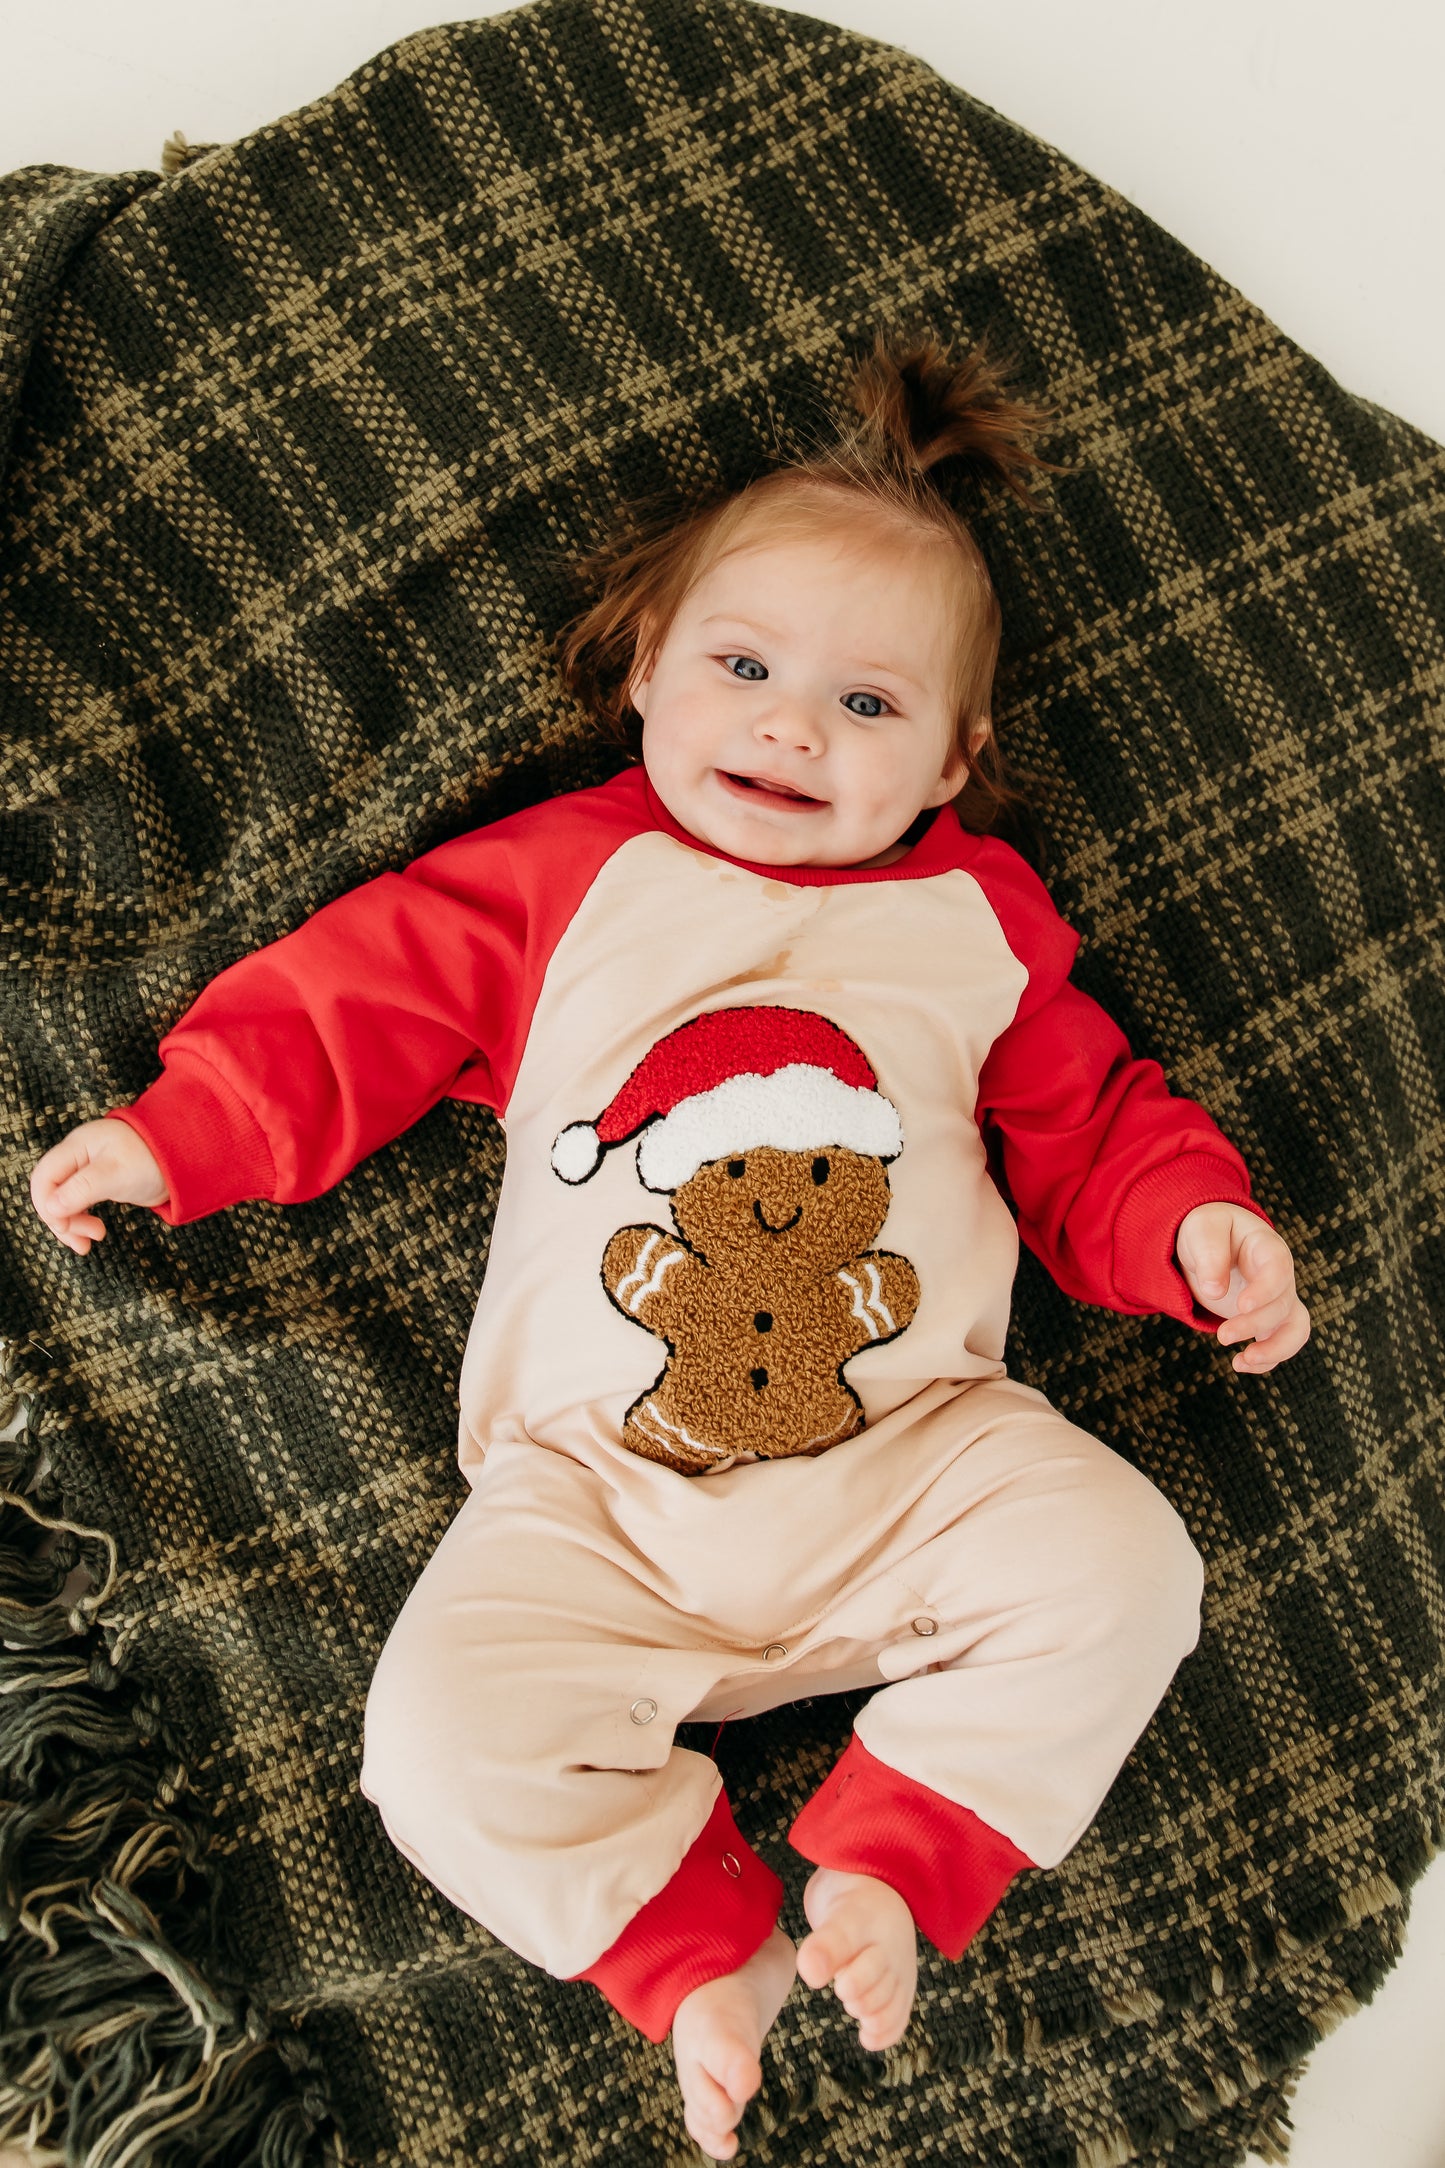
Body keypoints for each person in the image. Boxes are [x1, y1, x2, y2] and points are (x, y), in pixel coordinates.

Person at [29, 331, 1310, 2163]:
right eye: (744, 669)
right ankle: (696, 1956)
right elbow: (361, 1000)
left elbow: (1088, 1119)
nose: (791, 728)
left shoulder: (977, 925)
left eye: (867, 705)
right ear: (646, 672)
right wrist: (188, 1130)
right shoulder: (568, 877)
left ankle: (894, 1862)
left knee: (1126, 1567)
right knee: (435, 1746)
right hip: (597, 1502)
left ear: (954, 760)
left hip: (916, 1460)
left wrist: (1190, 1226)